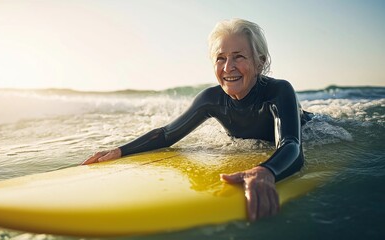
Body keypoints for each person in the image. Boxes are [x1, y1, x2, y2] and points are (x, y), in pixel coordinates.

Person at [82, 18, 311, 221]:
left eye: (238, 56)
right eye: (220, 58)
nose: (228, 67)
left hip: (309, 129)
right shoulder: (211, 99)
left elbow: (292, 144)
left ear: (259, 62)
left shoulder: (279, 92)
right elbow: (167, 134)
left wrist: (266, 171)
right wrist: (120, 150)